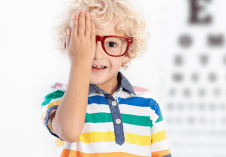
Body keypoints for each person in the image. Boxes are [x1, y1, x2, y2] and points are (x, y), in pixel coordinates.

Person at [40, 0, 172, 156]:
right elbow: (69, 132)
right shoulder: (59, 95)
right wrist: (80, 60)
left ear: (128, 50)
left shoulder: (148, 102)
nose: (96, 54)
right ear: (69, 45)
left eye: (111, 44)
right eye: (87, 43)